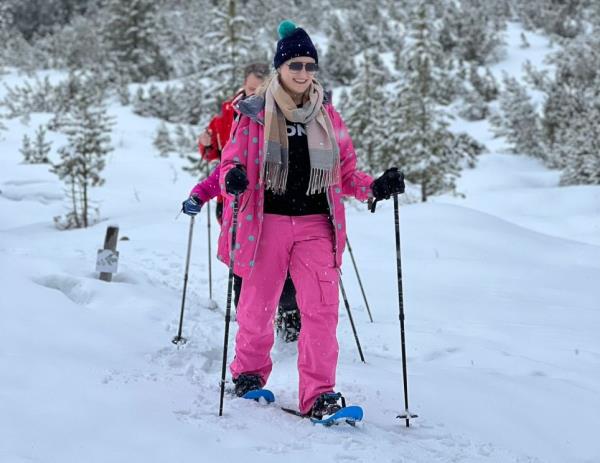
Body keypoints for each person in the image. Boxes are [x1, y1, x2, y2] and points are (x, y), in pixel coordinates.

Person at [217, 20, 405, 419]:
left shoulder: (329, 117)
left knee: (321, 311)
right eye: (295, 65)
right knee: (257, 306)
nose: (303, 73)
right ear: (279, 68)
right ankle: (249, 375)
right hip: (265, 223)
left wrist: (376, 187)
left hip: (317, 226)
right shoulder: (253, 114)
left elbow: (348, 174)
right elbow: (230, 159)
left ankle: (319, 394)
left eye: (309, 65)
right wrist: (233, 175)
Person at [181, 62, 301, 342]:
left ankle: (287, 314)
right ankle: (251, 322)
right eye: (250, 87)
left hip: (277, 209)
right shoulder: (229, 113)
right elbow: (218, 159)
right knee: (245, 262)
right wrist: (207, 147)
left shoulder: (279, 115)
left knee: (281, 268)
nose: (253, 93)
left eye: (258, 87)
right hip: (236, 198)